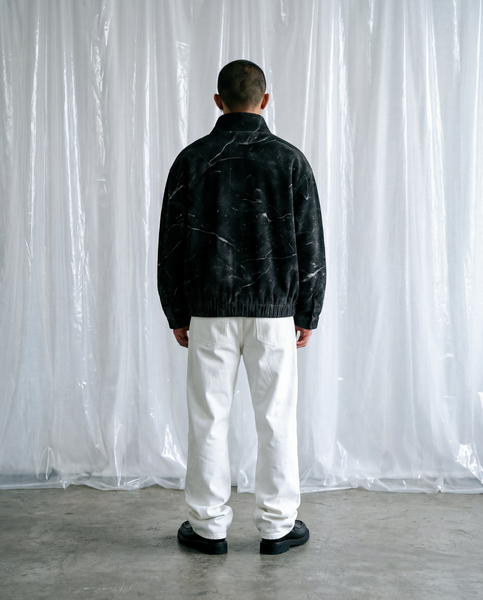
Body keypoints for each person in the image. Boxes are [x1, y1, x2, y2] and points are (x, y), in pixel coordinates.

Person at [157, 59, 326, 555]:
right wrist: (307, 312)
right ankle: (277, 527)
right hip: (274, 312)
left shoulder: (191, 160)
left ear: (218, 101)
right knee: (276, 419)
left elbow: (170, 244)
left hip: (210, 310)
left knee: (208, 418)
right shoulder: (291, 160)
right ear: (265, 100)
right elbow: (310, 242)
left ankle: (208, 527)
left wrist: (176, 311)